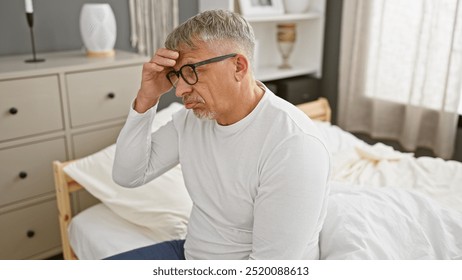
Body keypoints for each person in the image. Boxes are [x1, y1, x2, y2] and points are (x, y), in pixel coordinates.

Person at [109, 9, 330, 260]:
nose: (180, 90)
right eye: (176, 75)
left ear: (238, 66)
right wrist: (147, 97)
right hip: (190, 254)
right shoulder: (191, 121)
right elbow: (127, 175)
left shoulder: (293, 145)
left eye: (191, 71)